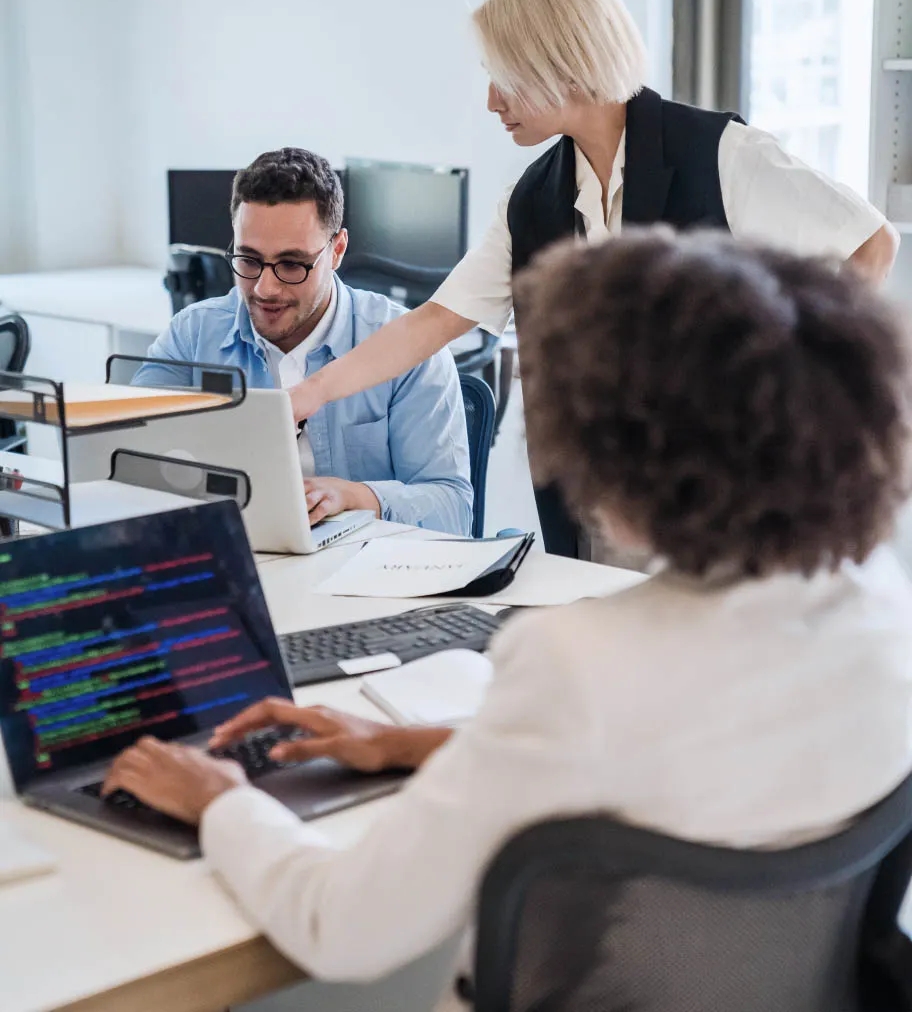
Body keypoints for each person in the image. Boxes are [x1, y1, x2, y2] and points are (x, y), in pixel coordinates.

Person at [104, 231, 912, 1010]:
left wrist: (220, 800)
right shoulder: (879, 600)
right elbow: (697, 761)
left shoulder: (578, 658)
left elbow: (339, 929)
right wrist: (422, 744)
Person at [281, 0, 899, 560]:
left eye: (503, 77)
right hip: (604, 494)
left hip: (725, 490)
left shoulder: (721, 154)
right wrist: (309, 394)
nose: (492, 102)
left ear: (561, 66)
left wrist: (804, 406)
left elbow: (870, 243)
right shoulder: (533, 198)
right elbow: (435, 320)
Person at [138, 148, 473, 536]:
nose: (265, 288)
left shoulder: (410, 347)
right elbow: (133, 464)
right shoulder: (191, 336)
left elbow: (453, 512)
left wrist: (355, 497)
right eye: (248, 260)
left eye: (292, 265)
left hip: (361, 578)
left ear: (337, 250)